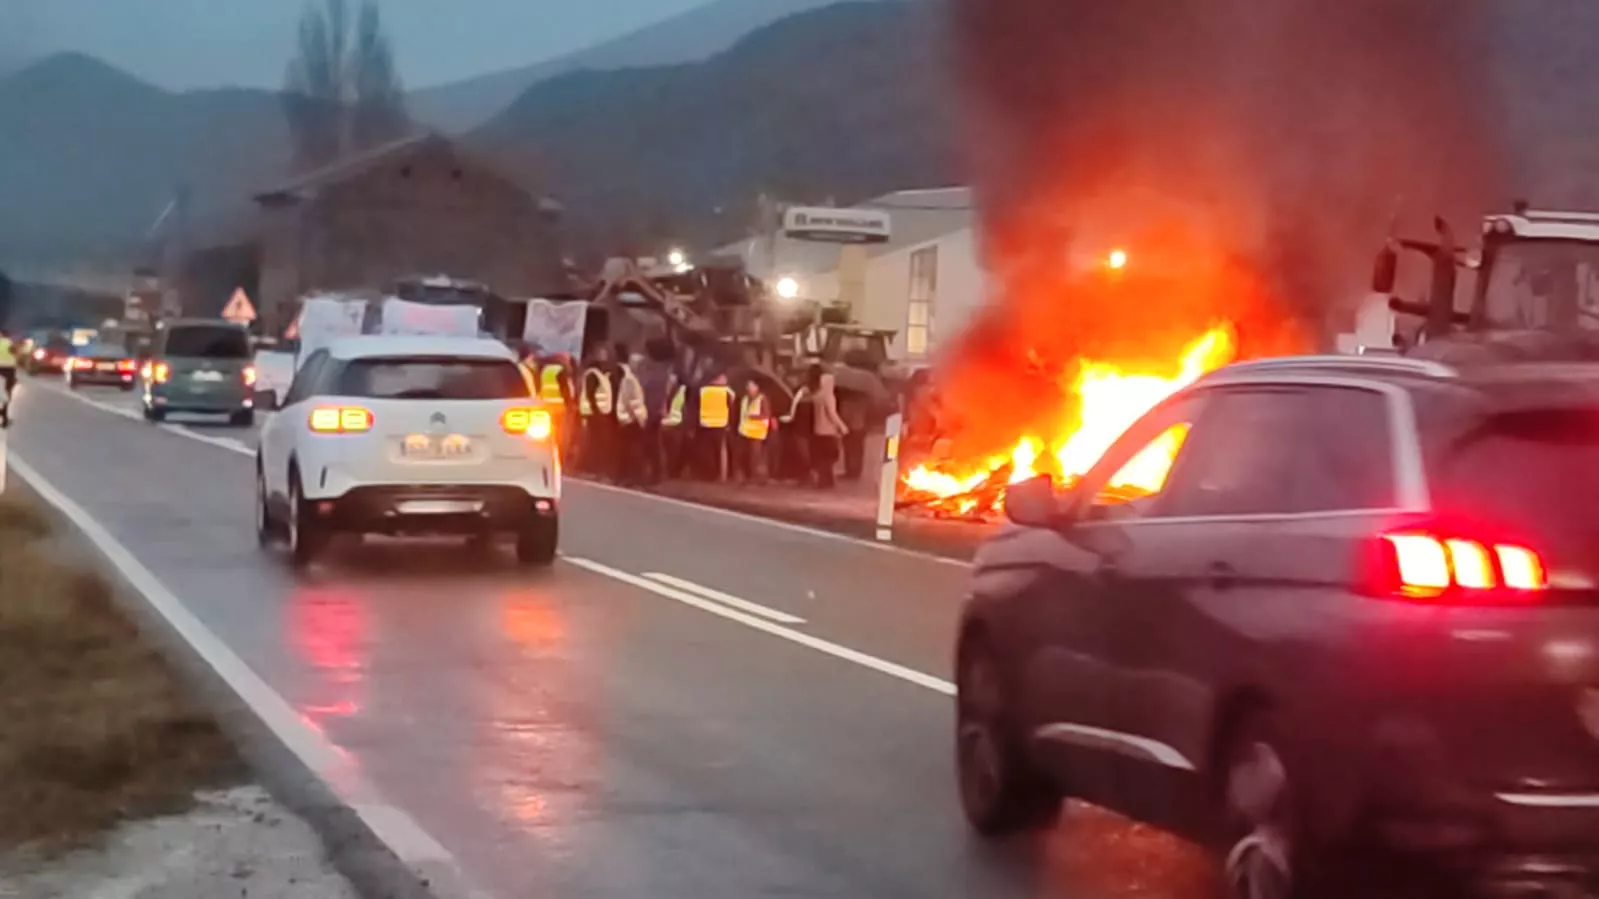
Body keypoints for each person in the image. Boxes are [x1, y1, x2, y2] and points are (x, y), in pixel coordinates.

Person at [810, 364, 849, 488]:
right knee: (830, 457)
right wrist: (842, 426)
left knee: (822, 457)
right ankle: (826, 481)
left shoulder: (817, 396)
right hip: (828, 431)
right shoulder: (829, 397)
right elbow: (832, 414)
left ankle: (824, 481)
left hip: (818, 430)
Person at [578, 347, 615, 478]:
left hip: (598, 413)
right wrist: (596, 411)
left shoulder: (600, 375)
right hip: (593, 414)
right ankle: (589, 468)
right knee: (594, 442)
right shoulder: (592, 374)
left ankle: (593, 468)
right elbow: (591, 394)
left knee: (597, 442)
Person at [735, 378, 776, 483]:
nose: (748, 388)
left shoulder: (762, 399)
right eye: (748, 386)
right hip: (744, 431)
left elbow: (766, 414)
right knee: (743, 455)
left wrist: (755, 417)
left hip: (757, 432)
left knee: (755, 456)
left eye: (751, 385)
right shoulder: (744, 399)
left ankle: (758, 478)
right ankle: (747, 476)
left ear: (757, 387)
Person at [696, 372, 736, 482]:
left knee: (708, 452)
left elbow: (696, 407)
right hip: (721, 424)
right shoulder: (728, 392)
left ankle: (709, 474)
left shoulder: (703, 390)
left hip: (705, 424)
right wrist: (730, 424)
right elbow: (732, 409)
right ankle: (721, 476)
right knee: (720, 452)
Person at [0, 329, 15, 427]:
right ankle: (4, 417)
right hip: (9, 370)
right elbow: (15, 353)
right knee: (7, 392)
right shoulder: (10, 343)